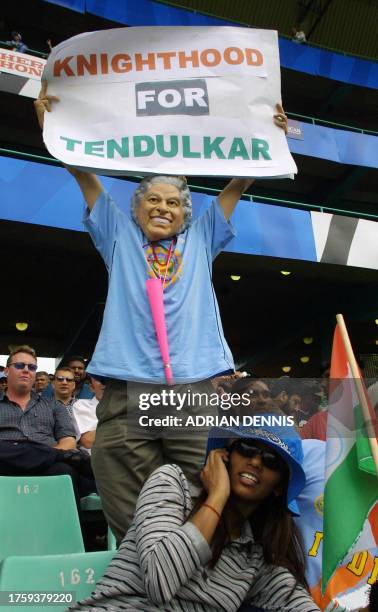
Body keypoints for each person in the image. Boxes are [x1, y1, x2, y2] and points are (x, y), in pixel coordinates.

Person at [35, 86, 289, 542]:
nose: (163, 208)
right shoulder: (118, 233)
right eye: (153, 200)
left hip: (189, 390)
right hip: (129, 388)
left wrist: (266, 137)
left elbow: (240, 182)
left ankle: (197, 574)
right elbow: (84, 174)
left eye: (173, 203)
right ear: (136, 209)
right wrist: (55, 126)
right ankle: (149, 570)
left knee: (206, 490)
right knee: (122, 492)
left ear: (185, 215)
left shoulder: (201, 236)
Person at [70, 420, 319, 611]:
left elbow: (295, 601)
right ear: (225, 455)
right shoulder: (171, 484)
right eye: (247, 448)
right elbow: (160, 579)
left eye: (271, 460)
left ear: (279, 486)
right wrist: (218, 496)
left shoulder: (254, 556)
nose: (255, 461)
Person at [0, 345, 91, 505]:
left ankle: (68, 530)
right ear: (7, 371)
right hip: (5, 463)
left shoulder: (54, 406)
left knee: (65, 472)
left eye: (32, 367)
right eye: (20, 366)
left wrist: (41, 456)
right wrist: (48, 453)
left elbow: (68, 441)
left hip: (46, 466)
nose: (26, 370)